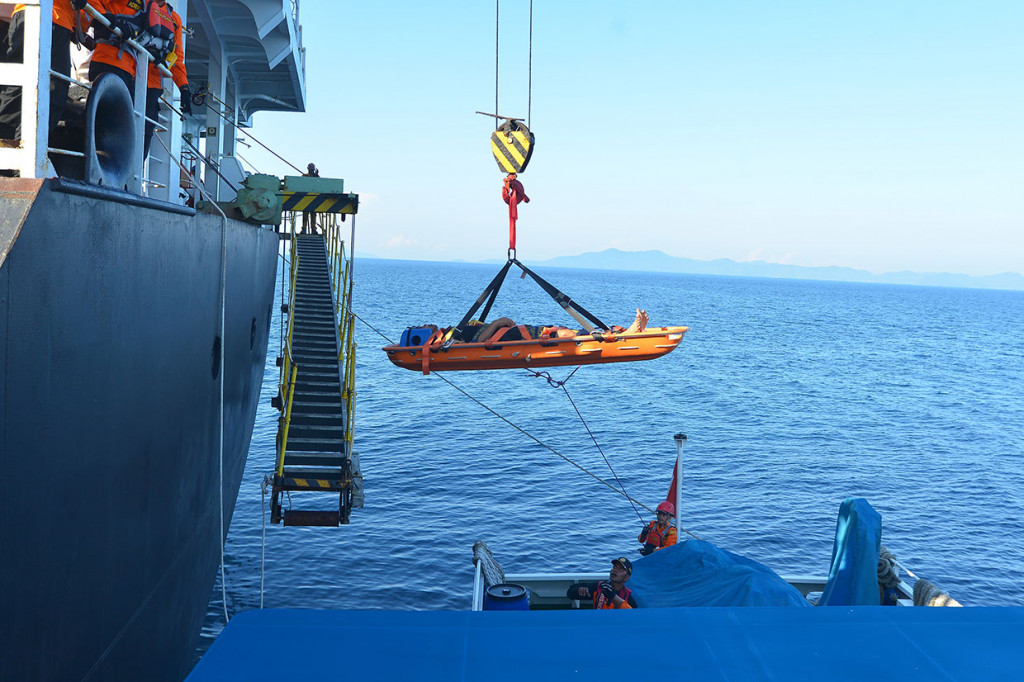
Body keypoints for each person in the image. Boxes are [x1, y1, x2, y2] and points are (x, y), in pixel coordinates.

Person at [0, 0, 90, 145]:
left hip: (35, 15)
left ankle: (11, 148)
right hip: (50, 18)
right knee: (50, 90)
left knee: (20, 88)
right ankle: (19, 150)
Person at [142, 0, 190, 160]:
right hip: (130, 74)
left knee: (146, 130)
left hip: (153, 84)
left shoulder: (174, 19)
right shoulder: (139, 4)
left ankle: (134, 172)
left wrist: (184, 88)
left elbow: (176, 58)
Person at [448, 309, 650, 344]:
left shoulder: (458, 328)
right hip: (509, 337)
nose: (425, 324)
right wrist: (499, 322)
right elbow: (480, 342)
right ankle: (624, 335)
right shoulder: (451, 337)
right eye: (422, 327)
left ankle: (617, 332)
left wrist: (499, 324)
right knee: (561, 333)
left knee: (560, 330)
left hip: (514, 332)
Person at [565, 557, 636, 609]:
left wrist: (613, 596)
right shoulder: (600, 587)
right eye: (614, 567)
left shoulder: (629, 598)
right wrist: (579, 590)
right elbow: (570, 593)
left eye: (620, 569)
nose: (615, 570)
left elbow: (633, 616)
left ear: (627, 577)